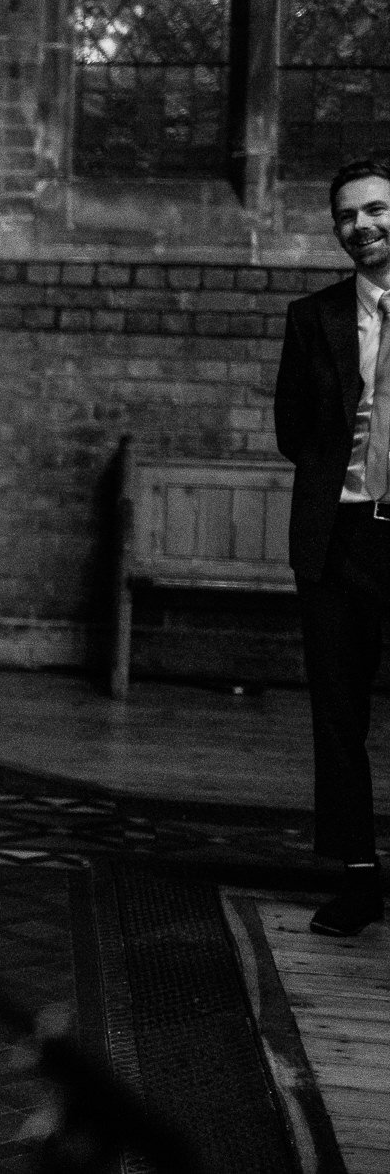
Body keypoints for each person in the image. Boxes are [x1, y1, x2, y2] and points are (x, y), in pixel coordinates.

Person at [273, 157, 390, 938]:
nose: (362, 227)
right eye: (348, 216)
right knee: (339, 716)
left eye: (377, 210)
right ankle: (357, 874)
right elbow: (293, 430)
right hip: (339, 539)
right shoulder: (312, 317)